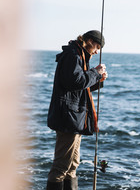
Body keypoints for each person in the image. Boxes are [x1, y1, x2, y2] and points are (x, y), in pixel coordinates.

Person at [46, 30, 108, 190]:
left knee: (72, 165)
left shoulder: (78, 56)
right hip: (68, 119)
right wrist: (95, 72)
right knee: (61, 166)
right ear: (88, 41)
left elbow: (78, 88)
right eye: (96, 47)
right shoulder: (73, 56)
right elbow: (76, 81)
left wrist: (98, 78)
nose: (96, 52)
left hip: (74, 118)